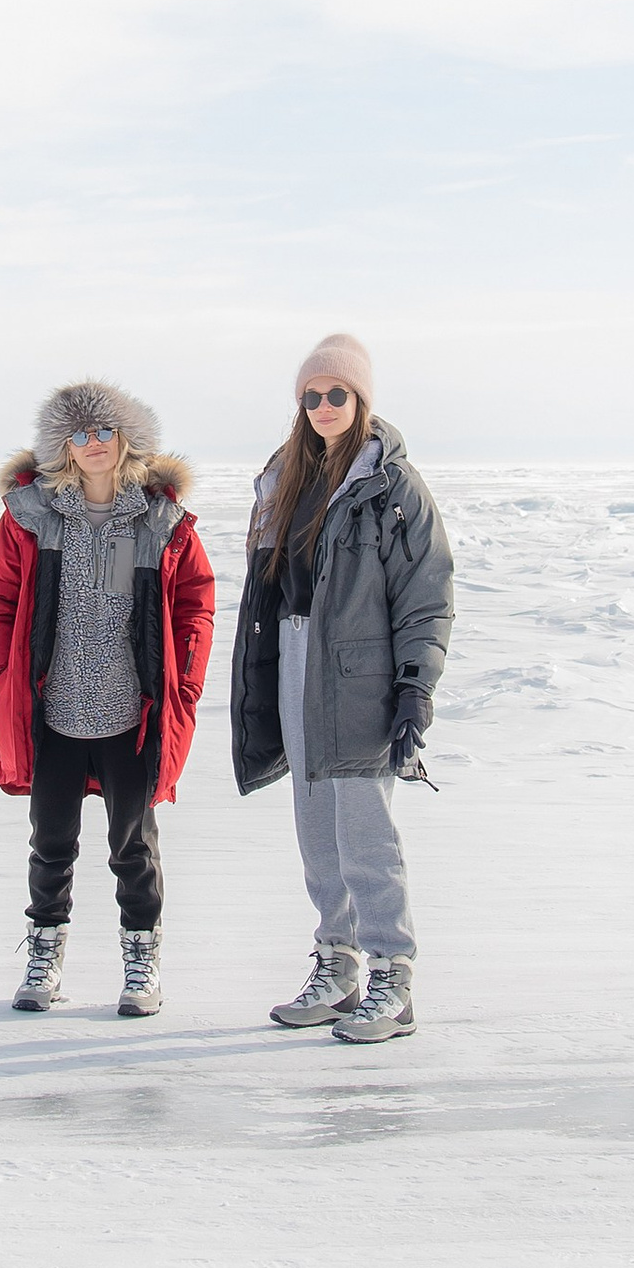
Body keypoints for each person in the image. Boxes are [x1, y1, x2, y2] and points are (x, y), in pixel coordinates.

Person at [230, 331, 454, 1044]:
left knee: (363, 825)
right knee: (316, 820)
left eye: (337, 393)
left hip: (362, 672)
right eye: (312, 395)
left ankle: (393, 973)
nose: (323, 404)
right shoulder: (286, 475)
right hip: (296, 659)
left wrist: (416, 685)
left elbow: (427, 594)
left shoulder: (392, 486)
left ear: (360, 400)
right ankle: (337, 965)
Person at [0, 379, 215, 1017]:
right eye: (78, 434)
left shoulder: (159, 520)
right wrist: (5, 671)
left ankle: (142, 964)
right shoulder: (32, 516)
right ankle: (44, 955)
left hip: (129, 715)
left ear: (126, 438)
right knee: (51, 841)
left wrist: (183, 679)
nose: (93, 444)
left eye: (104, 430)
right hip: (53, 712)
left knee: (132, 846)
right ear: (63, 447)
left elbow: (196, 603)